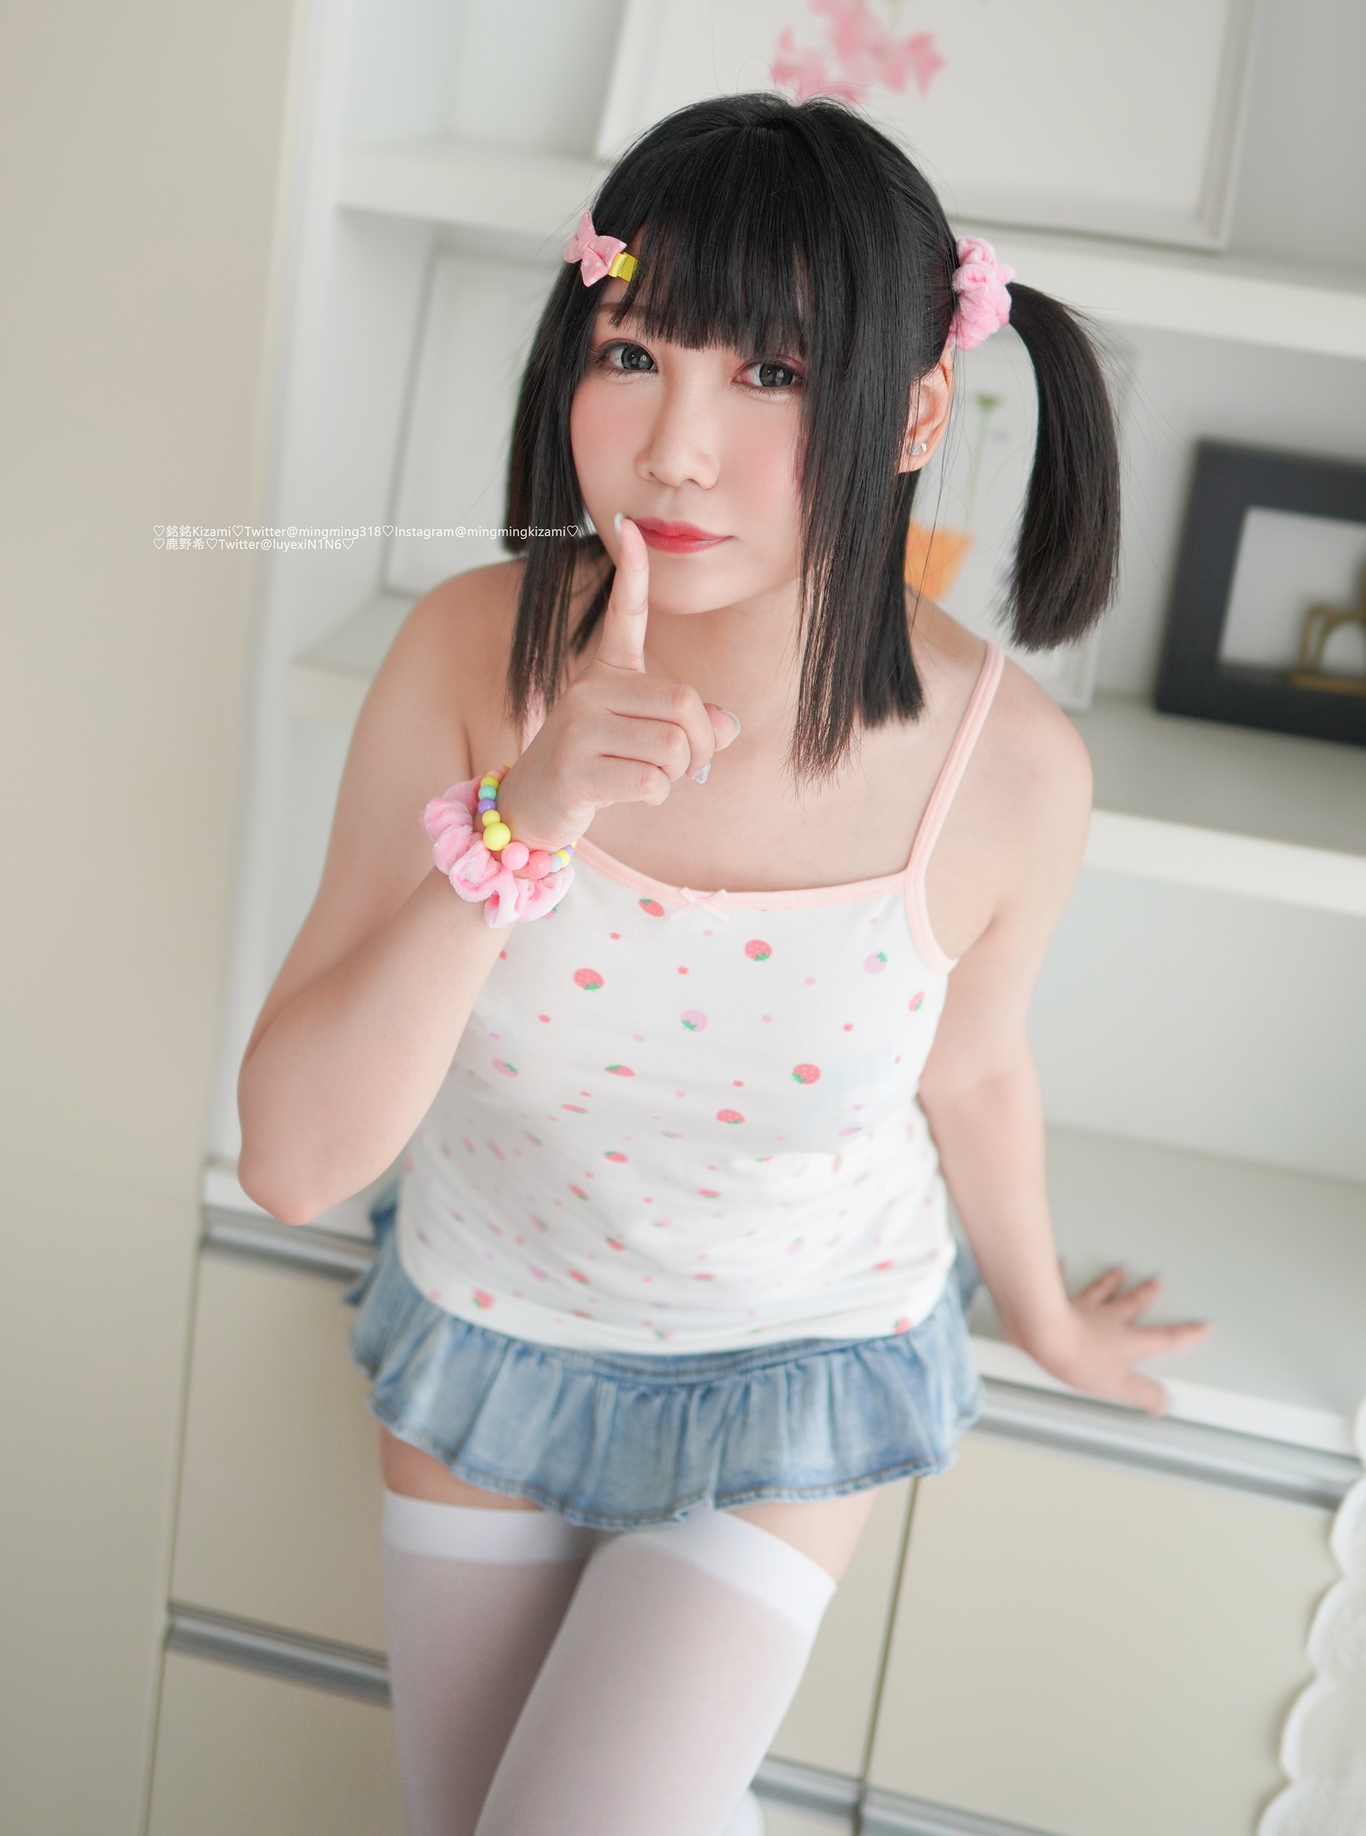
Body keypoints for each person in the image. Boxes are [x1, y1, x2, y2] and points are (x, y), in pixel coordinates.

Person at [236, 92, 1209, 1836]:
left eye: (770, 373)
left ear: (912, 412)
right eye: (632, 353)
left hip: (798, 1355)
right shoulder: (467, 655)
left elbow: (971, 1066)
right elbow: (299, 1163)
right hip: (491, 1321)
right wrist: (528, 817)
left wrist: (1045, 1311)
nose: (674, 449)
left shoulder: (1006, 770)